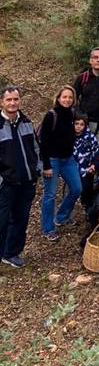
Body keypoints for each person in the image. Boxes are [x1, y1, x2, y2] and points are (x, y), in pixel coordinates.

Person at [0, 86, 40, 269]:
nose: (12, 103)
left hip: (26, 182)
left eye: (15, 99)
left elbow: (36, 149)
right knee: (2, 220)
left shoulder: (26, 122)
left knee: (21, 218)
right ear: (2, 102)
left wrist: (36, 171)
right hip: (5, 184)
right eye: (9, 100)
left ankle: (11, 253)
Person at [39, 85, 81, 242]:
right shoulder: (51, 115)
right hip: (53, 160)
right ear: (58, 98)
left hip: (68, 159)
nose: (67, 100)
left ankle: (62, 216)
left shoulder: (71, 114)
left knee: (77, 188)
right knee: (50, 195)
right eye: (64, 97)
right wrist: (46, 165)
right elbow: (43, 142)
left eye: (70, 97)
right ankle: (48, 228)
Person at [73, 111, 99, 210]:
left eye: (82, 124)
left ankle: (88, 207)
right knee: (74, 189)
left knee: (87, 188)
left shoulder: (90, 137)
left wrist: (94, 164)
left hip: (87, 168)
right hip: (73, 167)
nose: (79, 126)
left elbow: (97, 151)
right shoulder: (69, 136)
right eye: (76, 124)